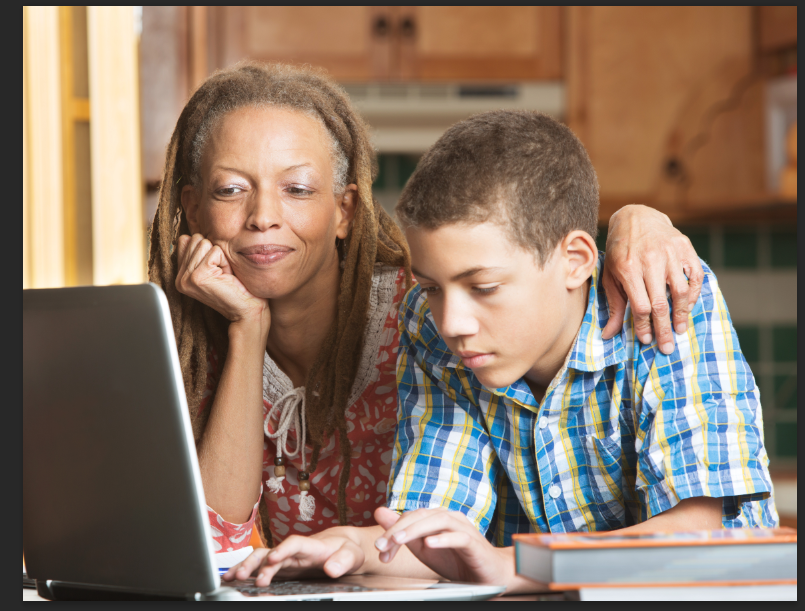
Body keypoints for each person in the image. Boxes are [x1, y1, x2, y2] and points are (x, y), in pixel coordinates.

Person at [149, 61, 705, 556]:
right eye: (229, 190)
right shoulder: (181, 340)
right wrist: (247, 329)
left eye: (297, 188)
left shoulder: (427, 315)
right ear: (192, 209)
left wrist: (638, 216)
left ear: (345, 211)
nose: (263, 215)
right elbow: (214, 544)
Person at [228, 110, 777, 594]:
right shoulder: (430, 325)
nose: (453, 322)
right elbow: (435, 525)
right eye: (433, 286)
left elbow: (697, 538)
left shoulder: (663, 297)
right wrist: (352, 547)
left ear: (575, 261)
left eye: (484, 286)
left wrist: (510, 567)